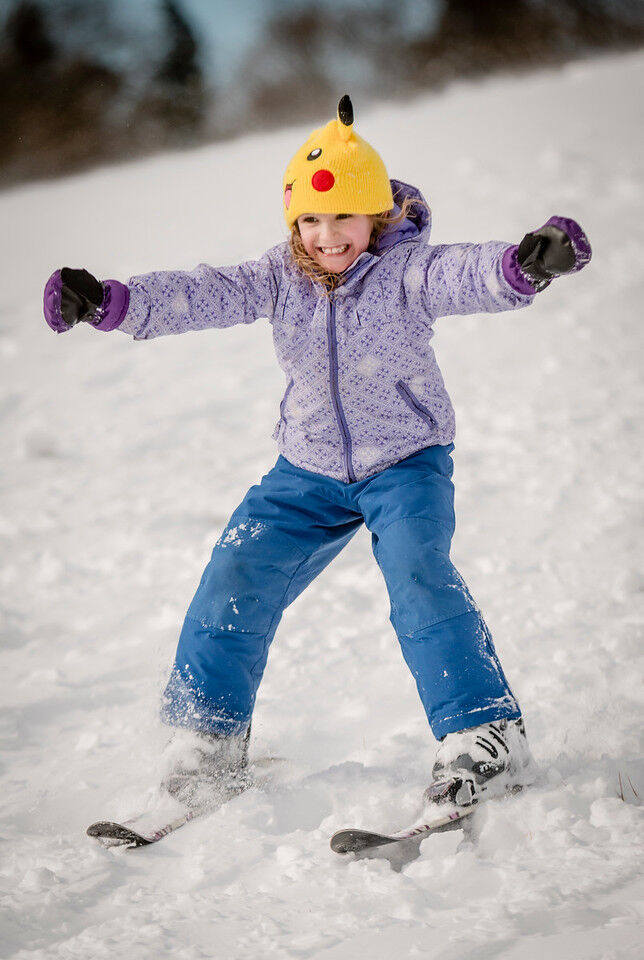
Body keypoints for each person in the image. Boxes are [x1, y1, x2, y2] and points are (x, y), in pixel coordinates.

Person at [43, 95, 591, 812]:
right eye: (309, 219)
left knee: (419, 574)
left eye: (343, 217)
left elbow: (463, 274)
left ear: (378, 216)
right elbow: (201, 294)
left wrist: (523, 267)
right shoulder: (279, 274)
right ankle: (207, 739)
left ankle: (484, 733)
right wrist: (112, 302)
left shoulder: (405, 273)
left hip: (405, 462)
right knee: (236, 570)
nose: (326, 235)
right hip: (305, 470)